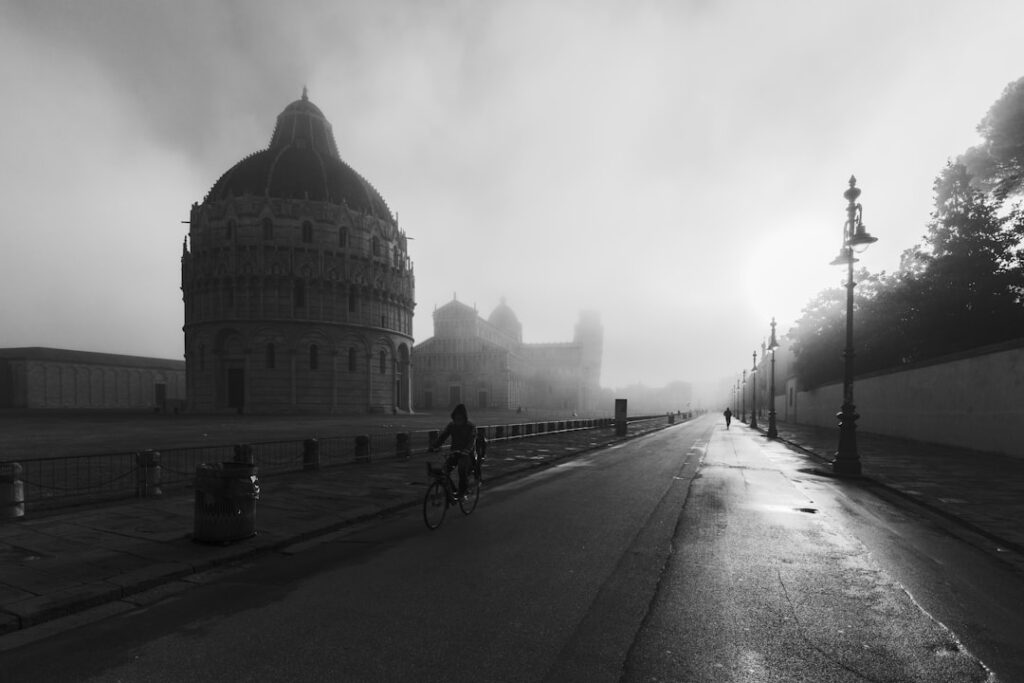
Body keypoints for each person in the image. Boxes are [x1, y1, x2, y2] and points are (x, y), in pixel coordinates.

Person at [430, 404, 486, 499]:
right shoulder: (451, 426)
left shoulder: (471, 427)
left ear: (464, 418)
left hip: (467, 454)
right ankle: (453, 490)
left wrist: (466, 450)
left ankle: (462, 492)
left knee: (462, 469)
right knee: (444, 470)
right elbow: (443, 437)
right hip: (455, 453)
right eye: (456, 419)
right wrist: (434, 446)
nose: (457, 421)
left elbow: (471, 441)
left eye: (459, 419)